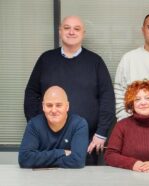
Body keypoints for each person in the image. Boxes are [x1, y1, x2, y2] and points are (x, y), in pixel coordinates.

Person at [23, 16, 115, 165]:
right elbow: (31, 94)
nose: (71, 32)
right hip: (47, 142)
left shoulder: (95, 61)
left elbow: (107, 98)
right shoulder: (46, 59)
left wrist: (101, 133)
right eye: (67, 28)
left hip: (87, 142)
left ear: (83, 33)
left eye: (76, 29)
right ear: (60, 31)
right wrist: (37, 127)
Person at [19, 86, 89, 168]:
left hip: (70, 178)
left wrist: (40, 160)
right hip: (39, 178)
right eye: (49, 105)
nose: (54, 110)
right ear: (43, 106)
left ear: (67, 106)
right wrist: (61, 153)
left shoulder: (79, 124)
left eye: (58, 105)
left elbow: (78, 161)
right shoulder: (34, 125)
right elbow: (24, 159)